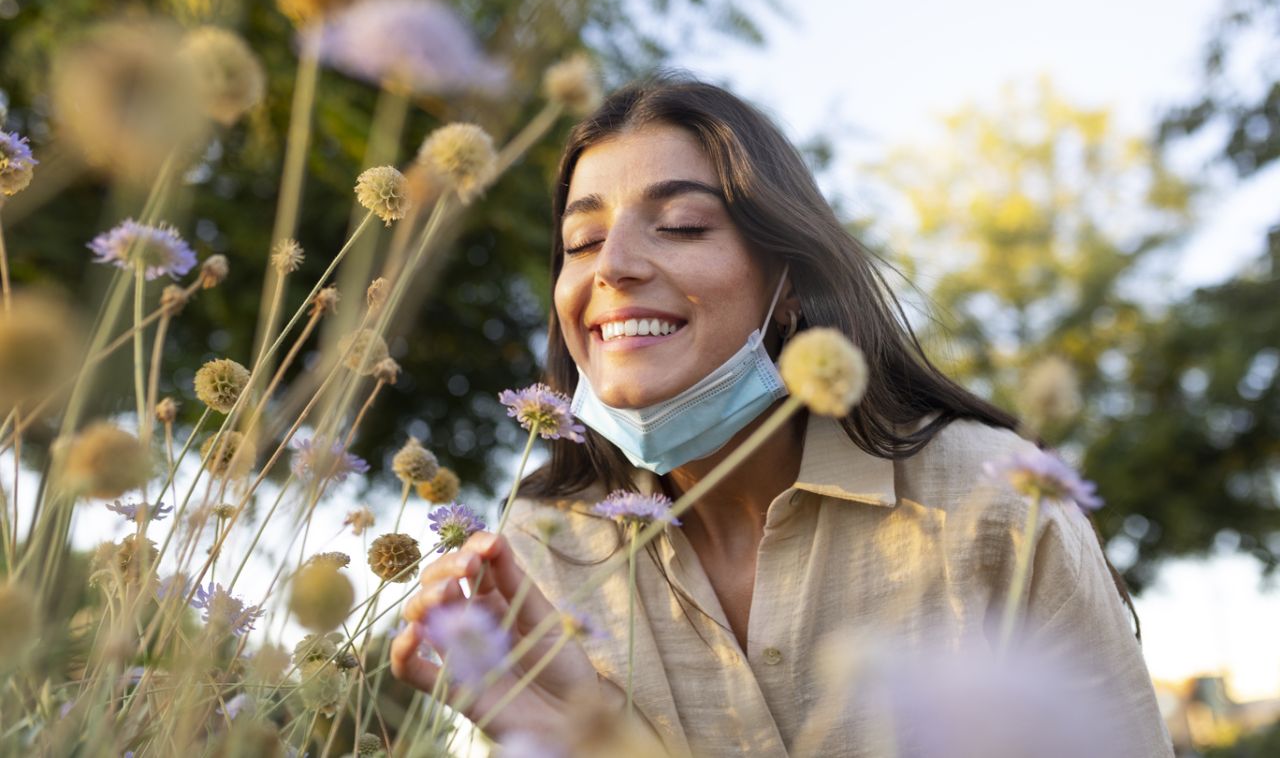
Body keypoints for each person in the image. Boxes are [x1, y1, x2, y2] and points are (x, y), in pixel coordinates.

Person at [391, 76, 1174, 756]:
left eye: (684, 225)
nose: (615, 266)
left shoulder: (999, 501)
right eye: (583, 239)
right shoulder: (536, 551)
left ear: (789, 283)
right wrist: (592, 738)